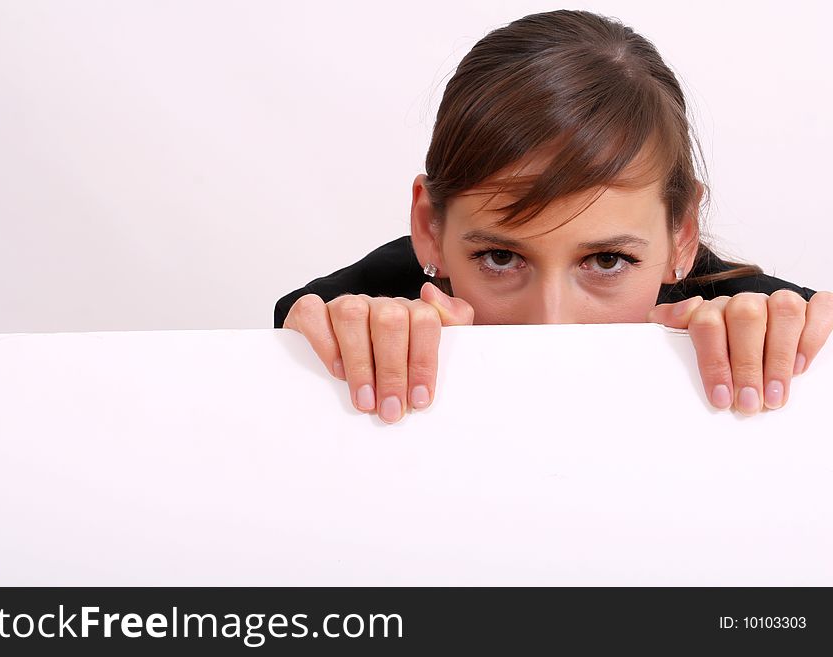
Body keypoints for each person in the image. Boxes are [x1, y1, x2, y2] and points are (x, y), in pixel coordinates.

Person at [275, 9, 833, 423]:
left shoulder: (765, 322)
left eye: (608, 260)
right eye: (500, 257)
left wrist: (800, 348)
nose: (551, 324)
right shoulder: (357, 308)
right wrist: (310, 356)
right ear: (430, 228)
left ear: (682, 235)